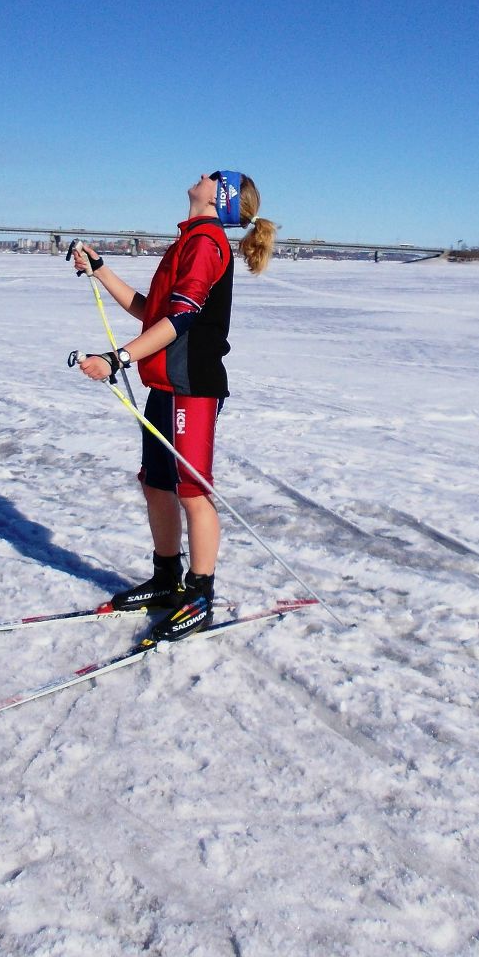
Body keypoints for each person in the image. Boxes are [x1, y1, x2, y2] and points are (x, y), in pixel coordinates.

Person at [73, 171, 276, 641]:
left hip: (193, 386)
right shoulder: (187, 241)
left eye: (213, 177)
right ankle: (167, 579)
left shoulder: (207, 242)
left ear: (219, 197)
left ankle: (199, 595)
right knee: (157, 484)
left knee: (191, 490)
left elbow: (183, 316)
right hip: (165, 384)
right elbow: (153, 311)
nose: (202, 176)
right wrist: (101, 270)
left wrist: (116, 358)